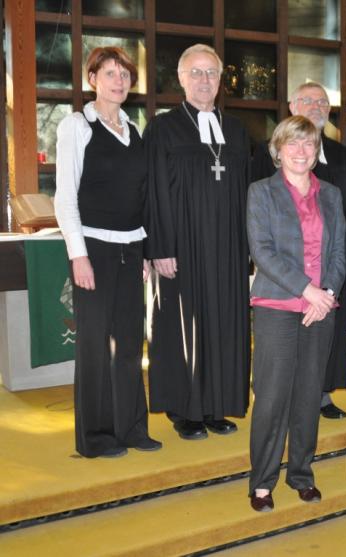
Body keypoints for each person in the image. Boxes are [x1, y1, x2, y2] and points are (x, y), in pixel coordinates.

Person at [54, 46, 161, 458]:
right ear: (92, 79)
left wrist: (145, 252)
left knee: (130, 343)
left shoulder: (133, 130)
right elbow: (65, 198)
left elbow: (140, 197)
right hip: (93, 249)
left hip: (130, 249)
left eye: (125, 75)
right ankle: (96, 436)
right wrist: (78, 255)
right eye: (110, 73)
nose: (119, 81)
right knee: (95, 345)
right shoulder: (77, 126)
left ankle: (131, 427)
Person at [144, 44, 251, 440]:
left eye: (212, 73)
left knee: (223, 323)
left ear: (221, 80)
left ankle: (216, 405)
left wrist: (249, 247)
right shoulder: (163, 128)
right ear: (181, 78)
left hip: (228, 247)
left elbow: (251, 191)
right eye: (196, 72)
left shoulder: (237, 130)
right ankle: (185, 409)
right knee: (182, 324)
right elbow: (153, 191)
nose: (205, 80)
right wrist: (160, 247)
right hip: (181, 246)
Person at [246, 115, 346, 512]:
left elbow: (339, 252)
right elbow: (262, 251)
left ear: (317, 150)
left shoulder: (331, 194)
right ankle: (262, 481)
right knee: (272, 398)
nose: (301, 151)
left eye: (309, 144)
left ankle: (301, 474)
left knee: (308, 396)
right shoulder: (261, 192)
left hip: (321, 308)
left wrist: (327, 294)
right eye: (293, 143)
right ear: (278, 149)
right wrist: (307, 290)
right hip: (277, 307)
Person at [251, 81, 346, 420]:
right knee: (277, 381)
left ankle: (322, 396)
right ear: (291, 106)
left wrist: (327, 290)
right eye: (308, 101)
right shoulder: (263, 173)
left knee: (316, 368)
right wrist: (308, 289)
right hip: (282, 290)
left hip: (327, 284)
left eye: (323, 102)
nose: (317, 107)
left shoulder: (343, 160)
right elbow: (262, 242)